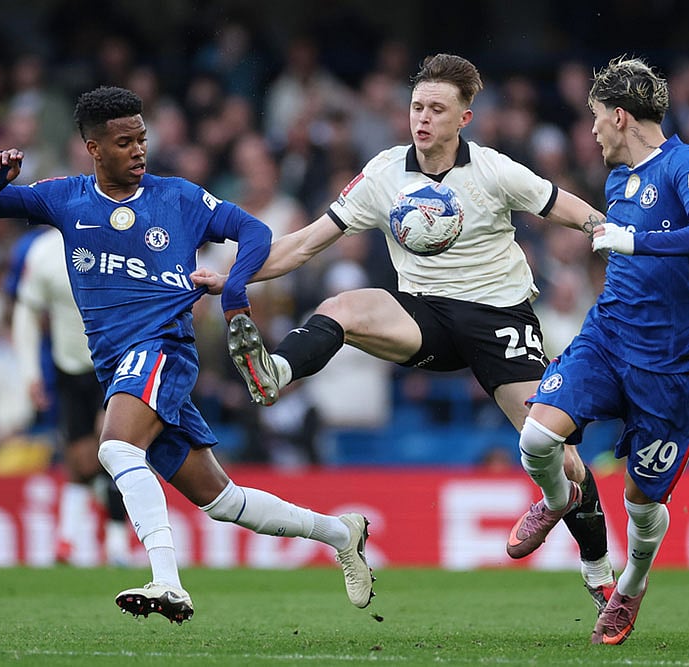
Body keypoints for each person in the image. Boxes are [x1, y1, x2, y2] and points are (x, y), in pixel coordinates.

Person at [192, 54, 616, 610]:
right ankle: (277, 371)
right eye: (417, 106)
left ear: (464, 118)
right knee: (342, 305)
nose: (423, 118)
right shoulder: (385, 172)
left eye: (437, 109)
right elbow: (305, 241)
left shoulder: (493, 169)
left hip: (499, 318)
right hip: (425, 315)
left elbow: (560, 205)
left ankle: (597, 565)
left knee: (556, 454)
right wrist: (233, 277)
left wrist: (601, 227)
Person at [0, 85, 374, 623]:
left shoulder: (177, 198)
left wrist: (234, 287)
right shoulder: (64, 198)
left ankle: (167, 582)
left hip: (161, 349)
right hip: (116, 364)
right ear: (94, 148)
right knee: (222, 502)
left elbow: (253, 230)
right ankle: (342, 532)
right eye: (125, 142)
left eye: (142, 139)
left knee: (113, 448)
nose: (138, 151)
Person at [508, 56, 689, 645]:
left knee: (639, 503)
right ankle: (565, 495)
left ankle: (631, 583)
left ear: (619, 115)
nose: (591, 132)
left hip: (669, 367)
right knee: (536, 437)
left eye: (595, 120)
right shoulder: (616, 179)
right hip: (607, 338)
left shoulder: (687, 165)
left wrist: (635, 239)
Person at [11, 227, 130, 566]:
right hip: (69, 367)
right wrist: (30, 372)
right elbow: (27, 311)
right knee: (81, 461)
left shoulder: (116, 240)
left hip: (115, 362)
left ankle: (118, 544)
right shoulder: (43, 253)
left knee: (113, 447)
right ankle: (67, 541)